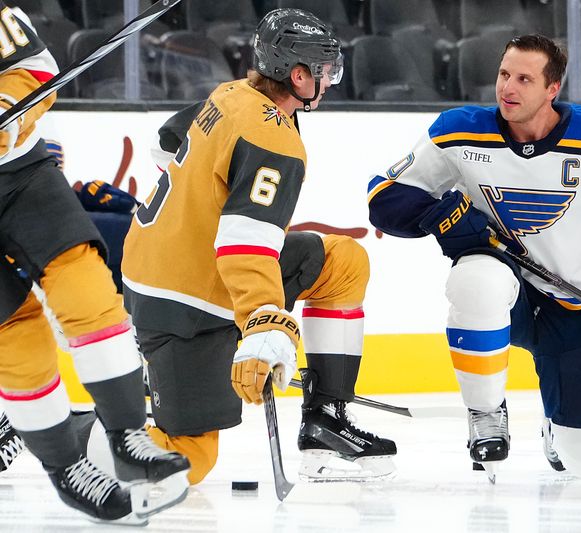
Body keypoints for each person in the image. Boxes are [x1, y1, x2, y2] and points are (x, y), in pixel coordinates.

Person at [368, 34, 581, 479]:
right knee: (475, 280)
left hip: (579, 305)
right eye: (503, 74)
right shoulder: (459, 131)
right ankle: (484, 412)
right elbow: (385, 198)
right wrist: (439, 216)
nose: (508, 88)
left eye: (524, 78)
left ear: (552, 89)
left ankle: (557, 424)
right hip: (506, 290)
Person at [122, 8, 396, 485]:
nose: (329, 80)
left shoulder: (231, 93)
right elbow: (244, 242)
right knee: (188, 459)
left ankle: (324, 419)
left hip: (167, 264)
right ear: (296, 74)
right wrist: (264, 324)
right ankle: (57, 430)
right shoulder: (273, 139)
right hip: (185, 301)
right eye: (323, 71)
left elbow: (166, 141)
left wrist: (196, 199)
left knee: (342, 263)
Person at [0, 3, 189, 524]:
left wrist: (7, 107)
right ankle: (68, 471)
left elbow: (35, 71)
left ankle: (129, 433)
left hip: (20, 173)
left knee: (84, 286)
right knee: (15, 336)